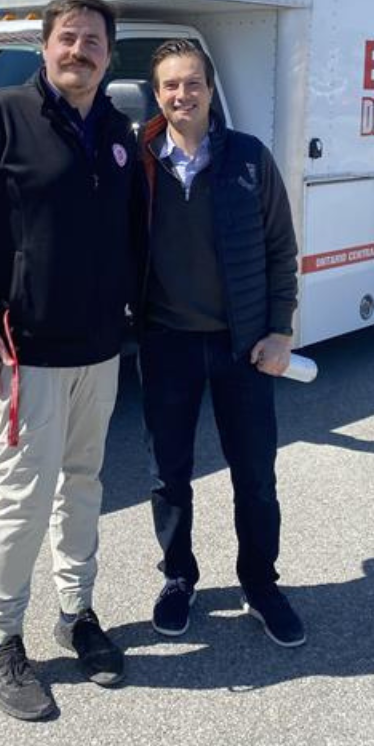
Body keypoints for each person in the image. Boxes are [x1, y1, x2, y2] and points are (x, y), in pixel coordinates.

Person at [0, 0, 145, 720]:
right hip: (25, 353)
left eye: (93, 41)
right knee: (23, 493)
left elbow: (132, 236)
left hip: (99, 348)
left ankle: (77, 612)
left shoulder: (119, 133)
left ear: (109, 54)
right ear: (45, 46)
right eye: (68, 37)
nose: (79, 50)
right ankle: (0, 636)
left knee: (83, 481)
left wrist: (135, 319)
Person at [134, 39, 305, 646]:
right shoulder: (140, 160)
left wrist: (281, 329)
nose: (182, 95)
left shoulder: (249, 159)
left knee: (255, 475)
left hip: (244, 347)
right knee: (168, 475)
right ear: (156, 95)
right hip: (166, 344)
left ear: (210, 89)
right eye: (169, 86)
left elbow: (282, 249)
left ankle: (260, 584)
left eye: (192, 83)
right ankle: (179, 577)